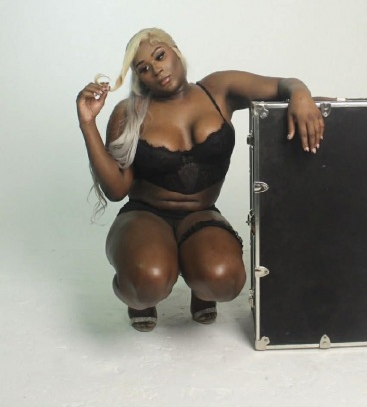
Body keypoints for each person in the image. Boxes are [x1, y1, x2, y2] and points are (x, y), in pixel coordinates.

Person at [76, 28, 324, 332]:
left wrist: (300, 95)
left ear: (175, 51)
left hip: (201, 214)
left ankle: (200, 284)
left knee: (225, 280)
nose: (157, 69)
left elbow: (283, 85)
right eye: (144, 68)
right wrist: (88, 123)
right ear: (139, 77)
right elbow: (116, 190)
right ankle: (139, 297)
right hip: (145, 215)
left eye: (160, 56)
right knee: (147, 281)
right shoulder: (129, 113)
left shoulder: (218, 90)